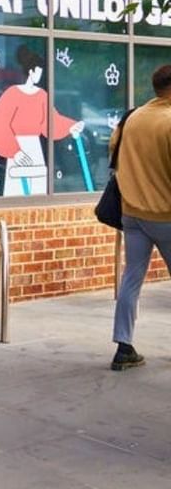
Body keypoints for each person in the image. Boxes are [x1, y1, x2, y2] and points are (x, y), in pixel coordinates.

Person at [109, 64, 171, 371]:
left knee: (131, 278)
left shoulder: (133, 117)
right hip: (165, 214)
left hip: (131, 213)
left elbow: (113, 153)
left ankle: (124, 347)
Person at [0, 45, 83, 196]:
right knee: (17, 189)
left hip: (34, 148)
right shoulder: (12, 94)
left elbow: (51, 121)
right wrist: (14, 152)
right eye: (38, 72)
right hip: (17, 148)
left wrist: (71, 126)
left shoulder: (41, 95)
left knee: (37, 188)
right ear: (31, 72)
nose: (40, 76)